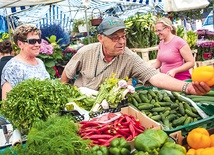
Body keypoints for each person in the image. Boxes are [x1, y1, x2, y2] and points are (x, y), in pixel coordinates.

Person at [60, 16, 211, 96]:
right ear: (100, 38)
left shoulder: (128, 57)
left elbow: (155, 76)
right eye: (114, 37)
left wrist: (187, 87)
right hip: (83, 103)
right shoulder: (86, 52)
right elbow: (66, 74)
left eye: (123, 36)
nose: (121, 42)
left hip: (110, 106)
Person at [1, 24, 50, 100]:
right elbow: (6, 103)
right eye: (32, 41)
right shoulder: (13, 67)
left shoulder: (40, 62)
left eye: (39, 41)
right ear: (20, 44)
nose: (37, 45)